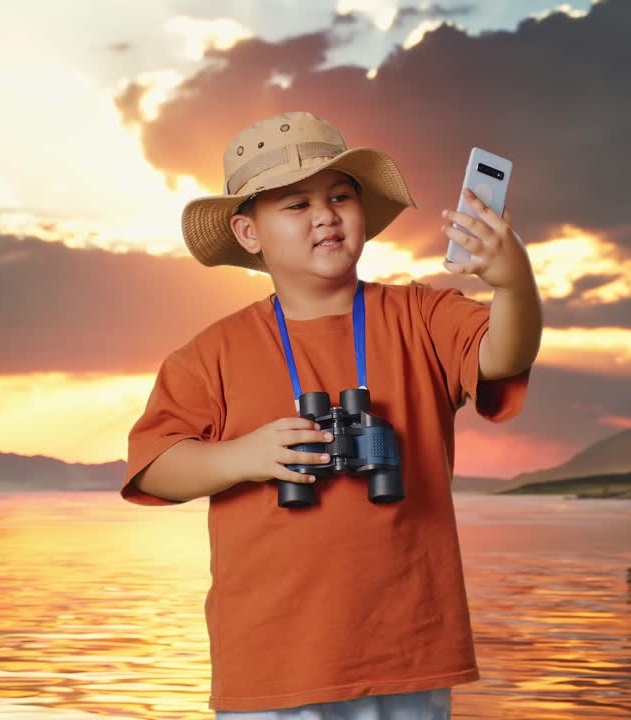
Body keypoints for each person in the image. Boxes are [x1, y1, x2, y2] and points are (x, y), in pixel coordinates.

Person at [122, 110, 542, 717]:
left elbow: (504, 356)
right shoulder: (210, 353)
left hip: (408, 649)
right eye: (296, 205)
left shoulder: (421, 316)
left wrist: (513, 285)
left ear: (362, 212)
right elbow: (154, 467)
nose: (325, 213)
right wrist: (245, 456)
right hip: (272, 659)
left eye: (340, 195)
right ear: (248, 233)